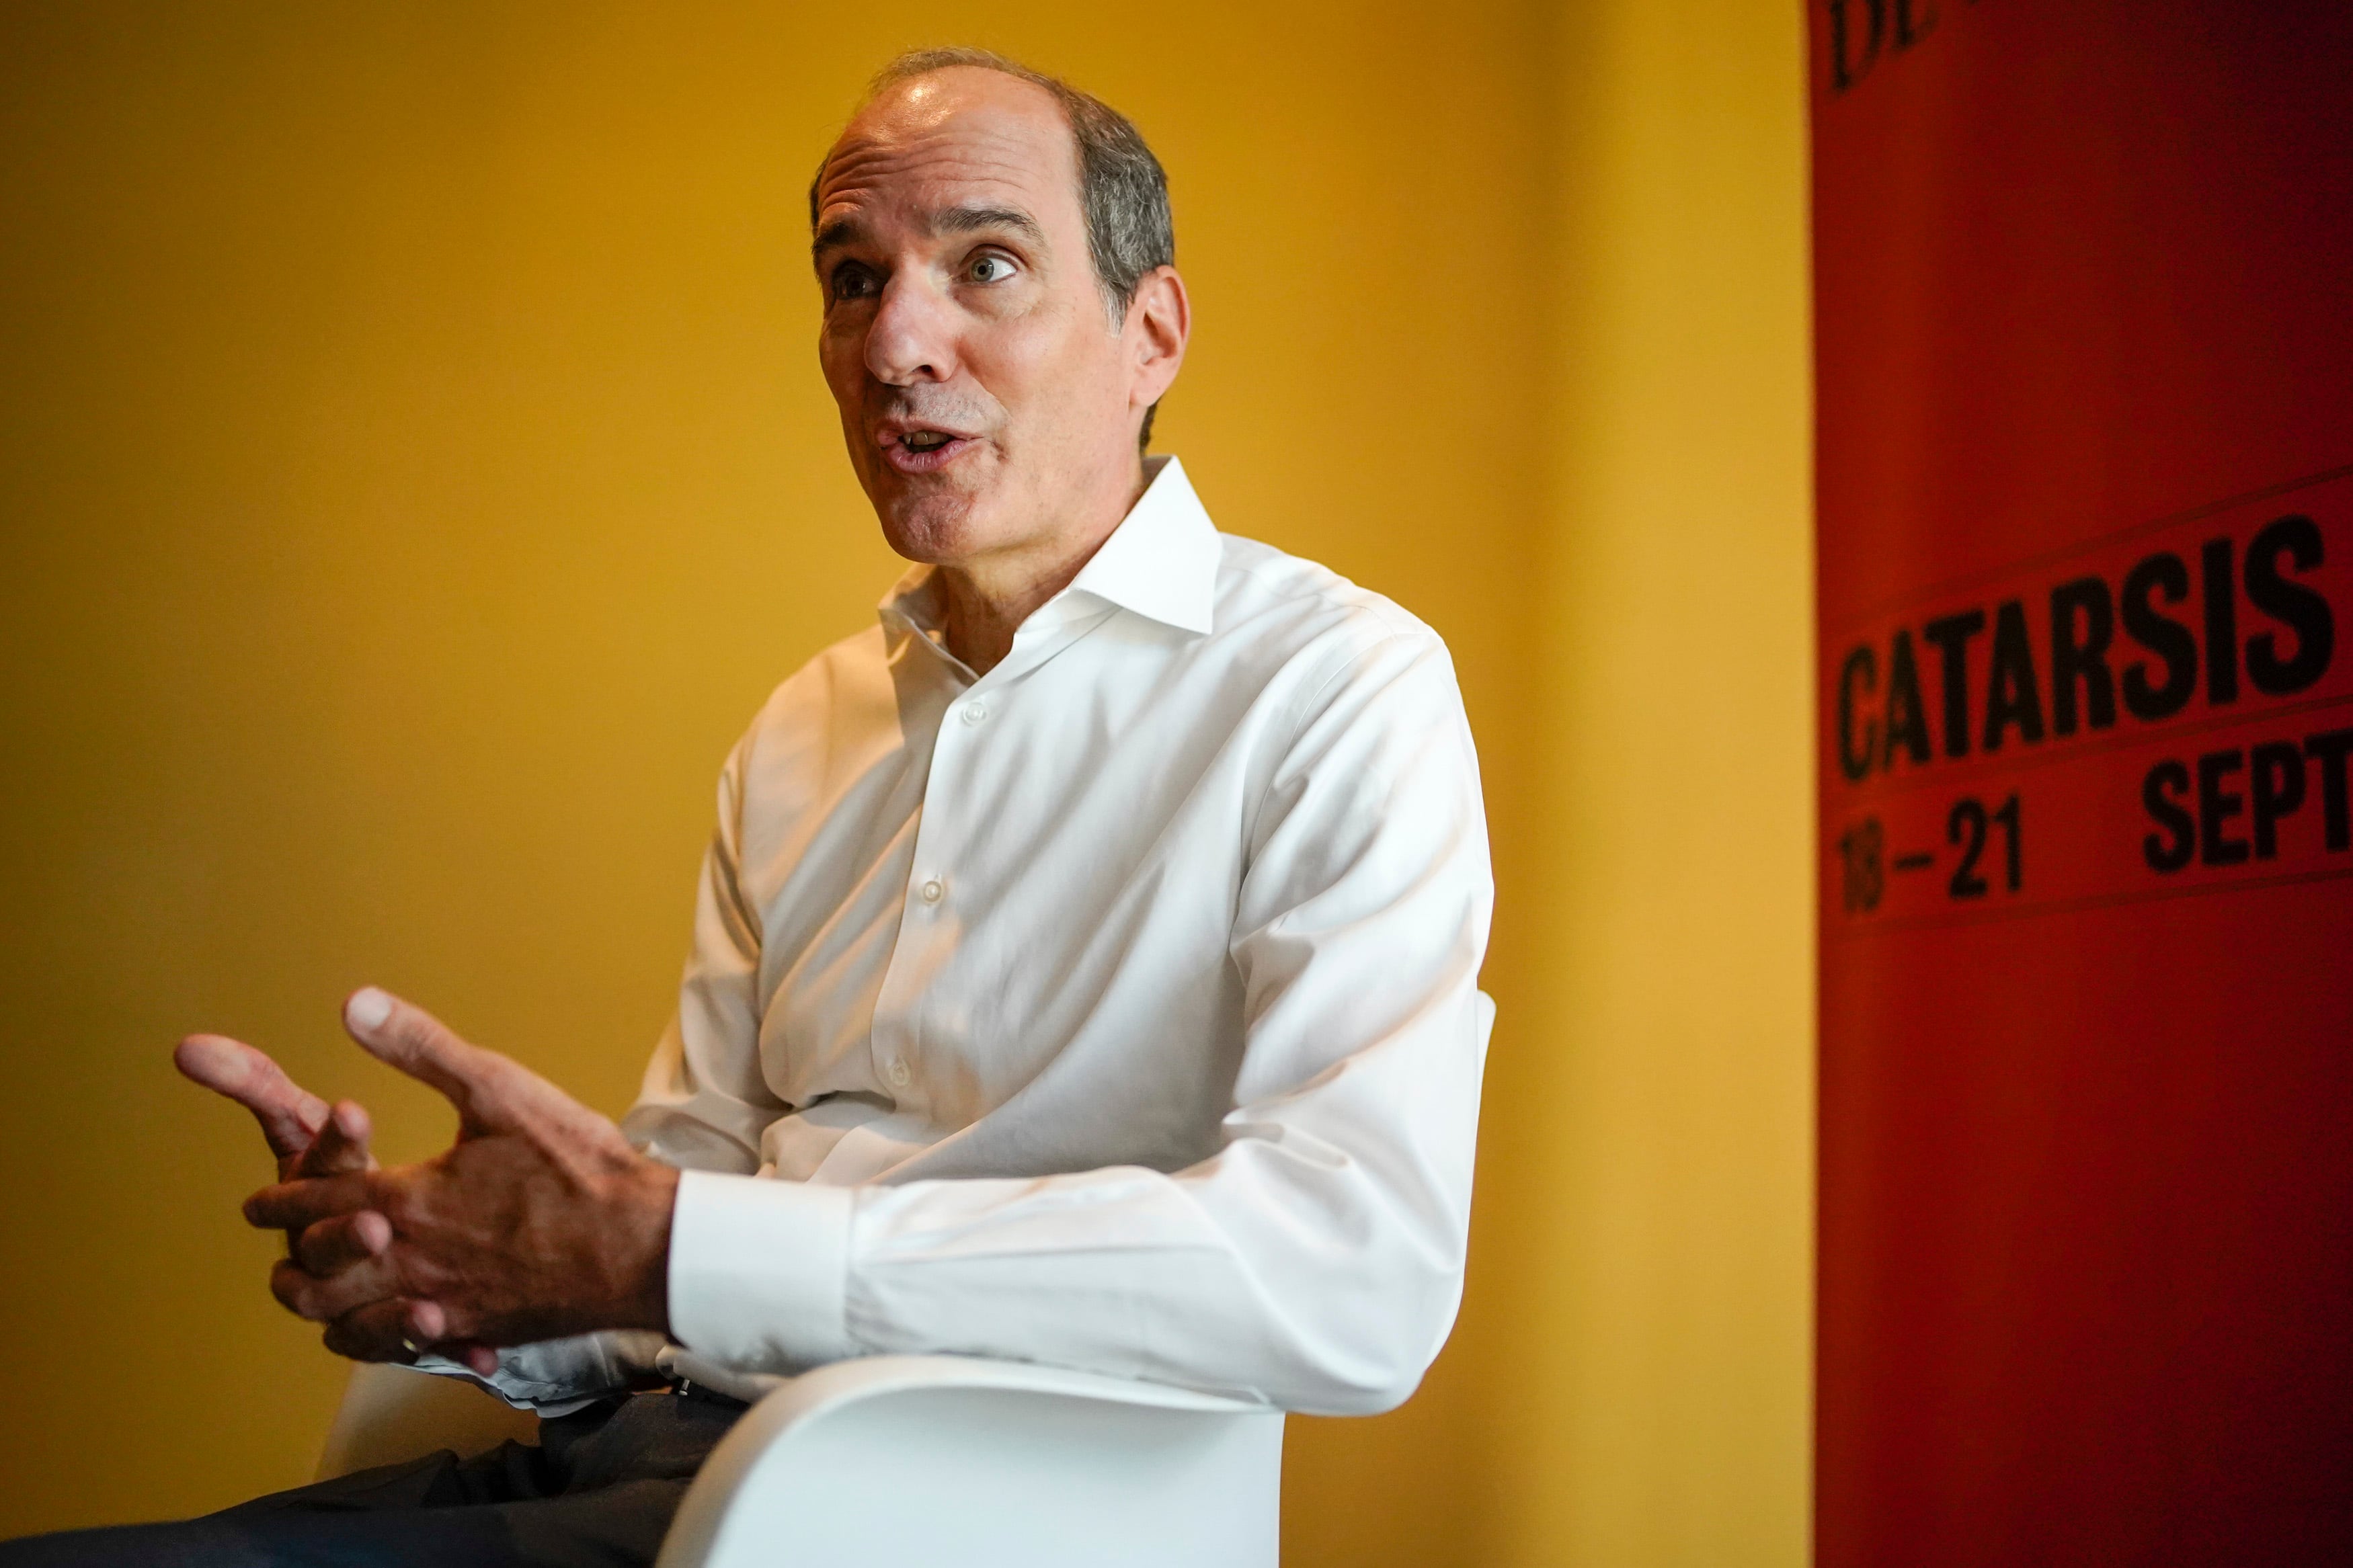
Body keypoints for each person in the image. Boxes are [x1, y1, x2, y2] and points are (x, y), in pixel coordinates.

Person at [3, 46, 1493, 1566]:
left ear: (1150, 331)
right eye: (853, 278)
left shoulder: (1334, 688)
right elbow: (678, 1236)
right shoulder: (804, 727)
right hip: (638, 1462)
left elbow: (1348, 1274)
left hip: (943, 1508)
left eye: (986, 264)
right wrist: (469, 1283)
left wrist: (675, 1245)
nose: (899, 341)